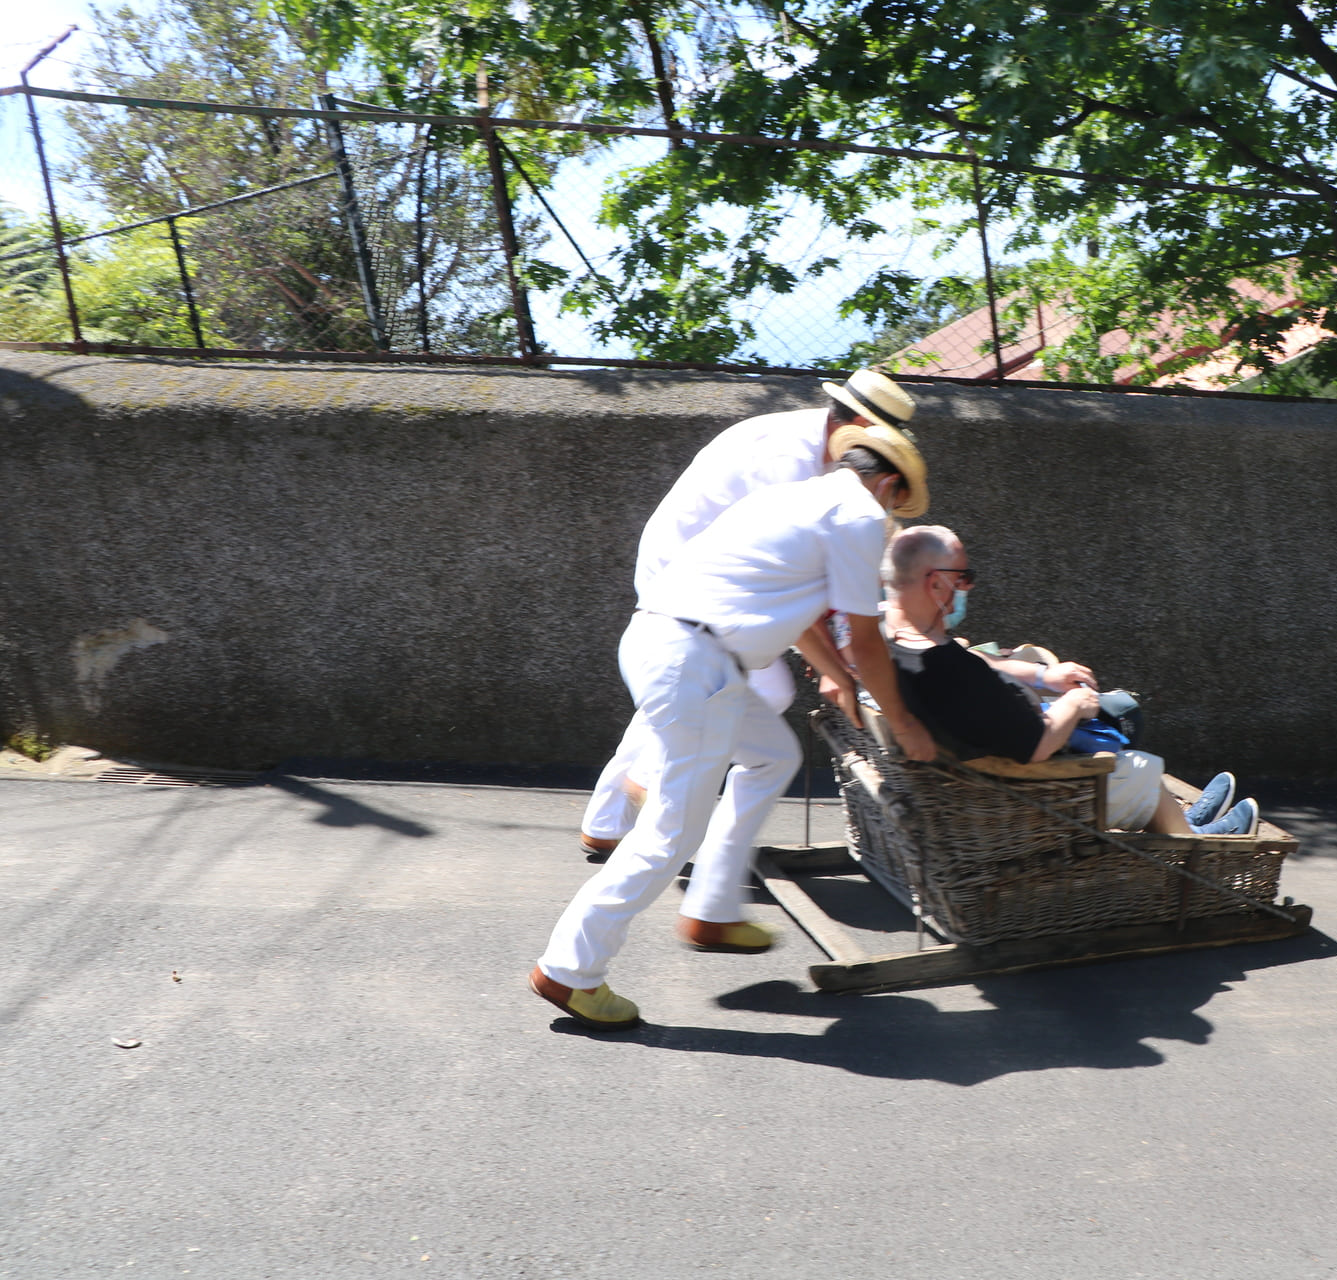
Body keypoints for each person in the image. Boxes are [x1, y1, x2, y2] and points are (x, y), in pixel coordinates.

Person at [531, 431, 938, 1029]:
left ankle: (713, 909)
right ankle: (571, 969)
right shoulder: (856, 515)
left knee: (771, 755)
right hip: (700, 665)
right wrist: (901, 721)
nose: (889, 520)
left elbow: (800, 622)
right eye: (895, 508)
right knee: (670, 833)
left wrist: (842, 682)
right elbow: (866, 636)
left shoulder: (794, 500)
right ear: (887, 484)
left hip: (671, 644)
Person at [579, 369, 918, 904]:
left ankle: (607, 818)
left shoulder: (825, 457)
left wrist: (833, 653)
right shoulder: (785, 457)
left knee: (687, 694)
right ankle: (659, 807)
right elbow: (785, 568)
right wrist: (838, 661)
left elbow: (798, 575)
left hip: (704, 584)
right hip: (689, 580)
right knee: (753, 690)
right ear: (858, 425)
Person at [878, 525, 1257, 838]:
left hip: (975, 772)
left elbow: (969, 659)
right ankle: (1195, 841)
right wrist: (1074, 705)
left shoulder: (891, 640)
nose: (968, 588)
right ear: (936, 584)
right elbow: (1037, 747)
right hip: (1027, 793)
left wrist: (1043, 676)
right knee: (1140, 769)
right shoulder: (951, 668)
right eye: (964, 577)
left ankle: (1186, 820)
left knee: (1110, 732)